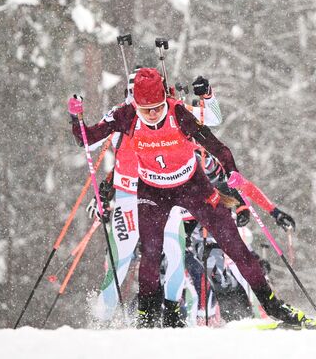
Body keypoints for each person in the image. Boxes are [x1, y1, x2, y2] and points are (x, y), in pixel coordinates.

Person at [69, 67, 306, 327]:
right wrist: (75, 116)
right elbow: (86, 138)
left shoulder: (178, 113)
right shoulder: (125, 116)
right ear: (135, 103)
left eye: (158, 107)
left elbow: (217, 146)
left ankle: (273, 305)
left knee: (234, 245)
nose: (153, 114)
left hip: (192, 185)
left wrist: (232, 172)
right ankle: (147, 317)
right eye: (146, 109)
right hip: (152, 190)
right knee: (151, 252)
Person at [89, 73, 224, 325]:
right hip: (129, 194)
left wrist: (207, 96)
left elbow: (214, 117)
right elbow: (92, 143)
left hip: (163, 191)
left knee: (175, 252)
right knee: (122, 258)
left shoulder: (172, 111)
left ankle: (171, 316)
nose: (138, 99)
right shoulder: (122, 114)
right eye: (133, 92)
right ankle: (101, 321)